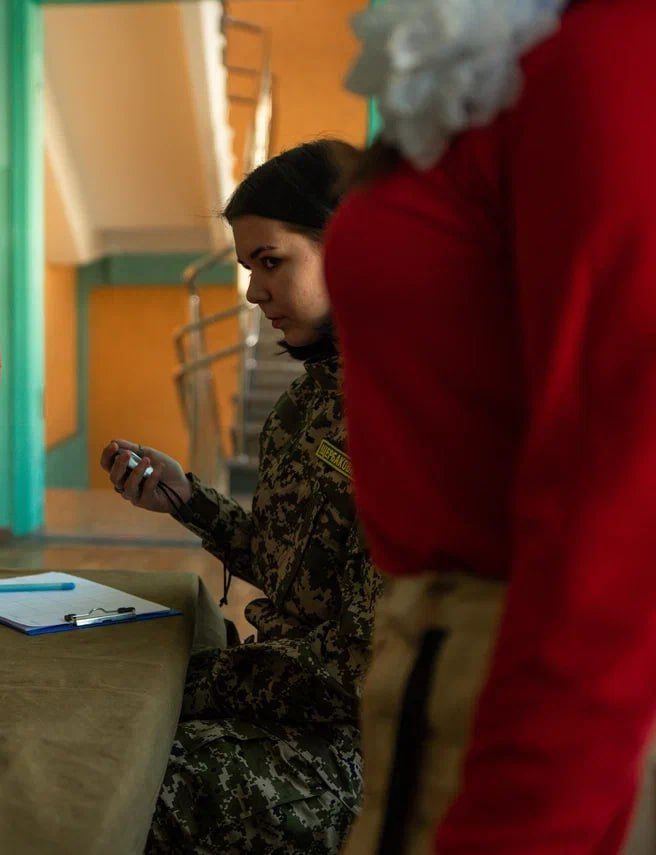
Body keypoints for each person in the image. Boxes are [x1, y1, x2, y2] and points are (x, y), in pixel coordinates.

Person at [324, 1, 656, 851]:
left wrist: (529, 807)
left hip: (534, 679)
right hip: (434, 663)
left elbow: (623, 492)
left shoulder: (606, 48)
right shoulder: (499, 42)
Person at [102, 140, 383, 854]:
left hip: (353, 746)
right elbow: (294, 570)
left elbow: (357, 673)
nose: (254, 291)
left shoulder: (411, 417)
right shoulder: (307, 405)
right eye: (247, 267)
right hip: (287, 701)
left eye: (271, 261)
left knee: (121, 780)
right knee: (100, 738)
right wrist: (187, 499)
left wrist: (192, 682)